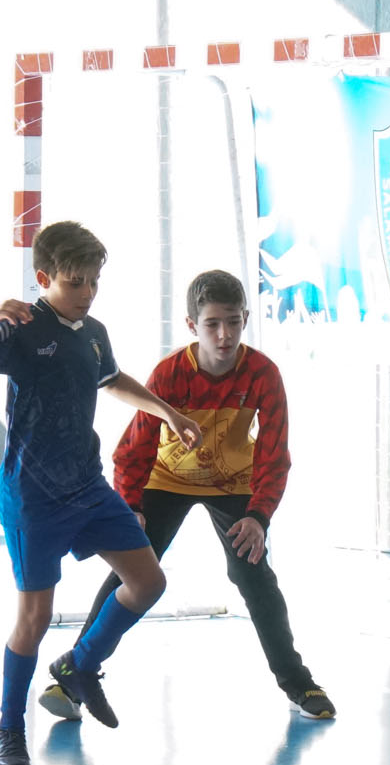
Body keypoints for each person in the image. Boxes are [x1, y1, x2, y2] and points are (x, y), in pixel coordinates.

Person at [0, 220, 202, 765]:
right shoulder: (20, 328)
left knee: (149, 581)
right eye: (75, 282)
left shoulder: (93, 330)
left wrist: (169, 413)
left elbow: (110, 378)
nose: (86, 293)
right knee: (35, 617)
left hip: (87, 486)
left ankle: (79, 666)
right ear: (44, 277)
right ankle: (10, 729)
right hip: (32, 496)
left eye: (93, 282)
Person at [84, 269, 333, 720]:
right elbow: (132, 450)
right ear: (192, 325)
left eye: (235, 322)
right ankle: (76, 673)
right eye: (214, 324)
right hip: (165, 481)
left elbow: (274, 454)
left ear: (245, 319)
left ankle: (298, 683)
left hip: (232, 485)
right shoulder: (169, 375)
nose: (225, 335)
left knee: (255, 578)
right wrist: (131, 507)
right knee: (131, 575)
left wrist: (258, 516)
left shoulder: (262, 374)